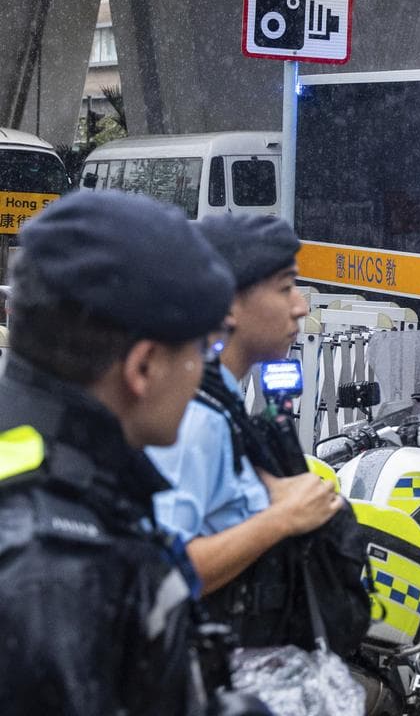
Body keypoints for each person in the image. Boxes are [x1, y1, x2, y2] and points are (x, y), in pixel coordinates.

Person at [0, 190, 235, 715]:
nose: (203, 371)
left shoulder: (51, 481)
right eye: (202, 350)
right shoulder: (57, 577)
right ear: (143, 367)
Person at [146, 213, 359, 649]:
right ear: (226, 305)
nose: (301, 306)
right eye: (285, 288)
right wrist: (282, 519)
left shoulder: (221, 403)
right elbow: (163, 573)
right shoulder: (193, 418)